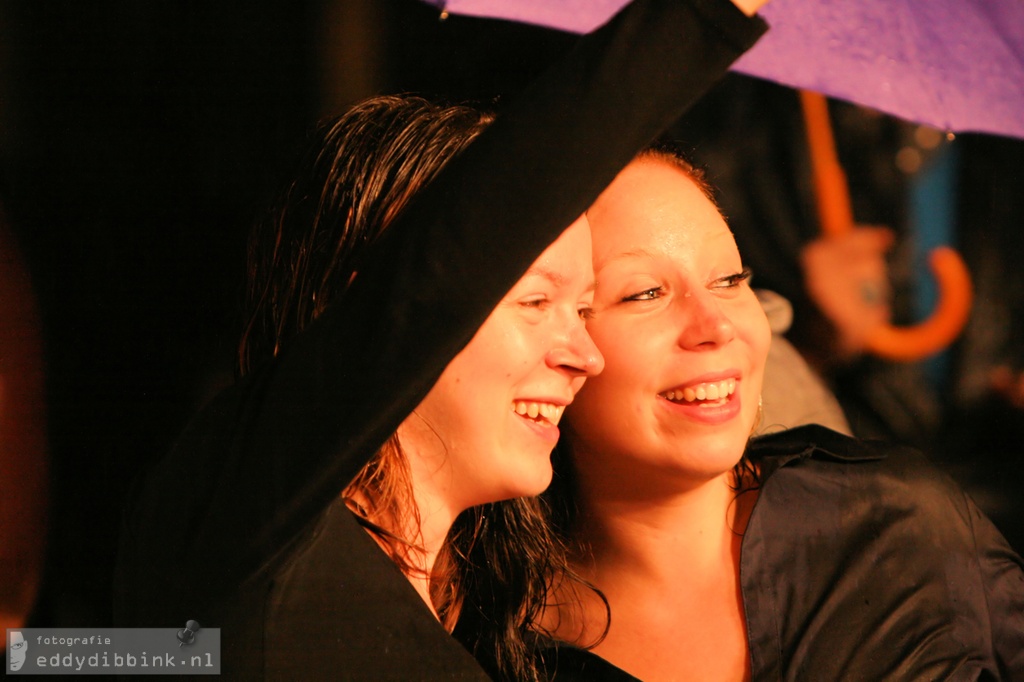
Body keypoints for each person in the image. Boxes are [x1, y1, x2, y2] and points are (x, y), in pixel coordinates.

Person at [113, 0, 769, 679]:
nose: (583, 355)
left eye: (581, 308)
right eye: (536, 299)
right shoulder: (239, 516)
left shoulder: (508, 641)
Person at [538, 150, 1024, 681]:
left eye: (729, 279)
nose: (717, 325)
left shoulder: (896, 525)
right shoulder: (492, 636)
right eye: (645, 293)